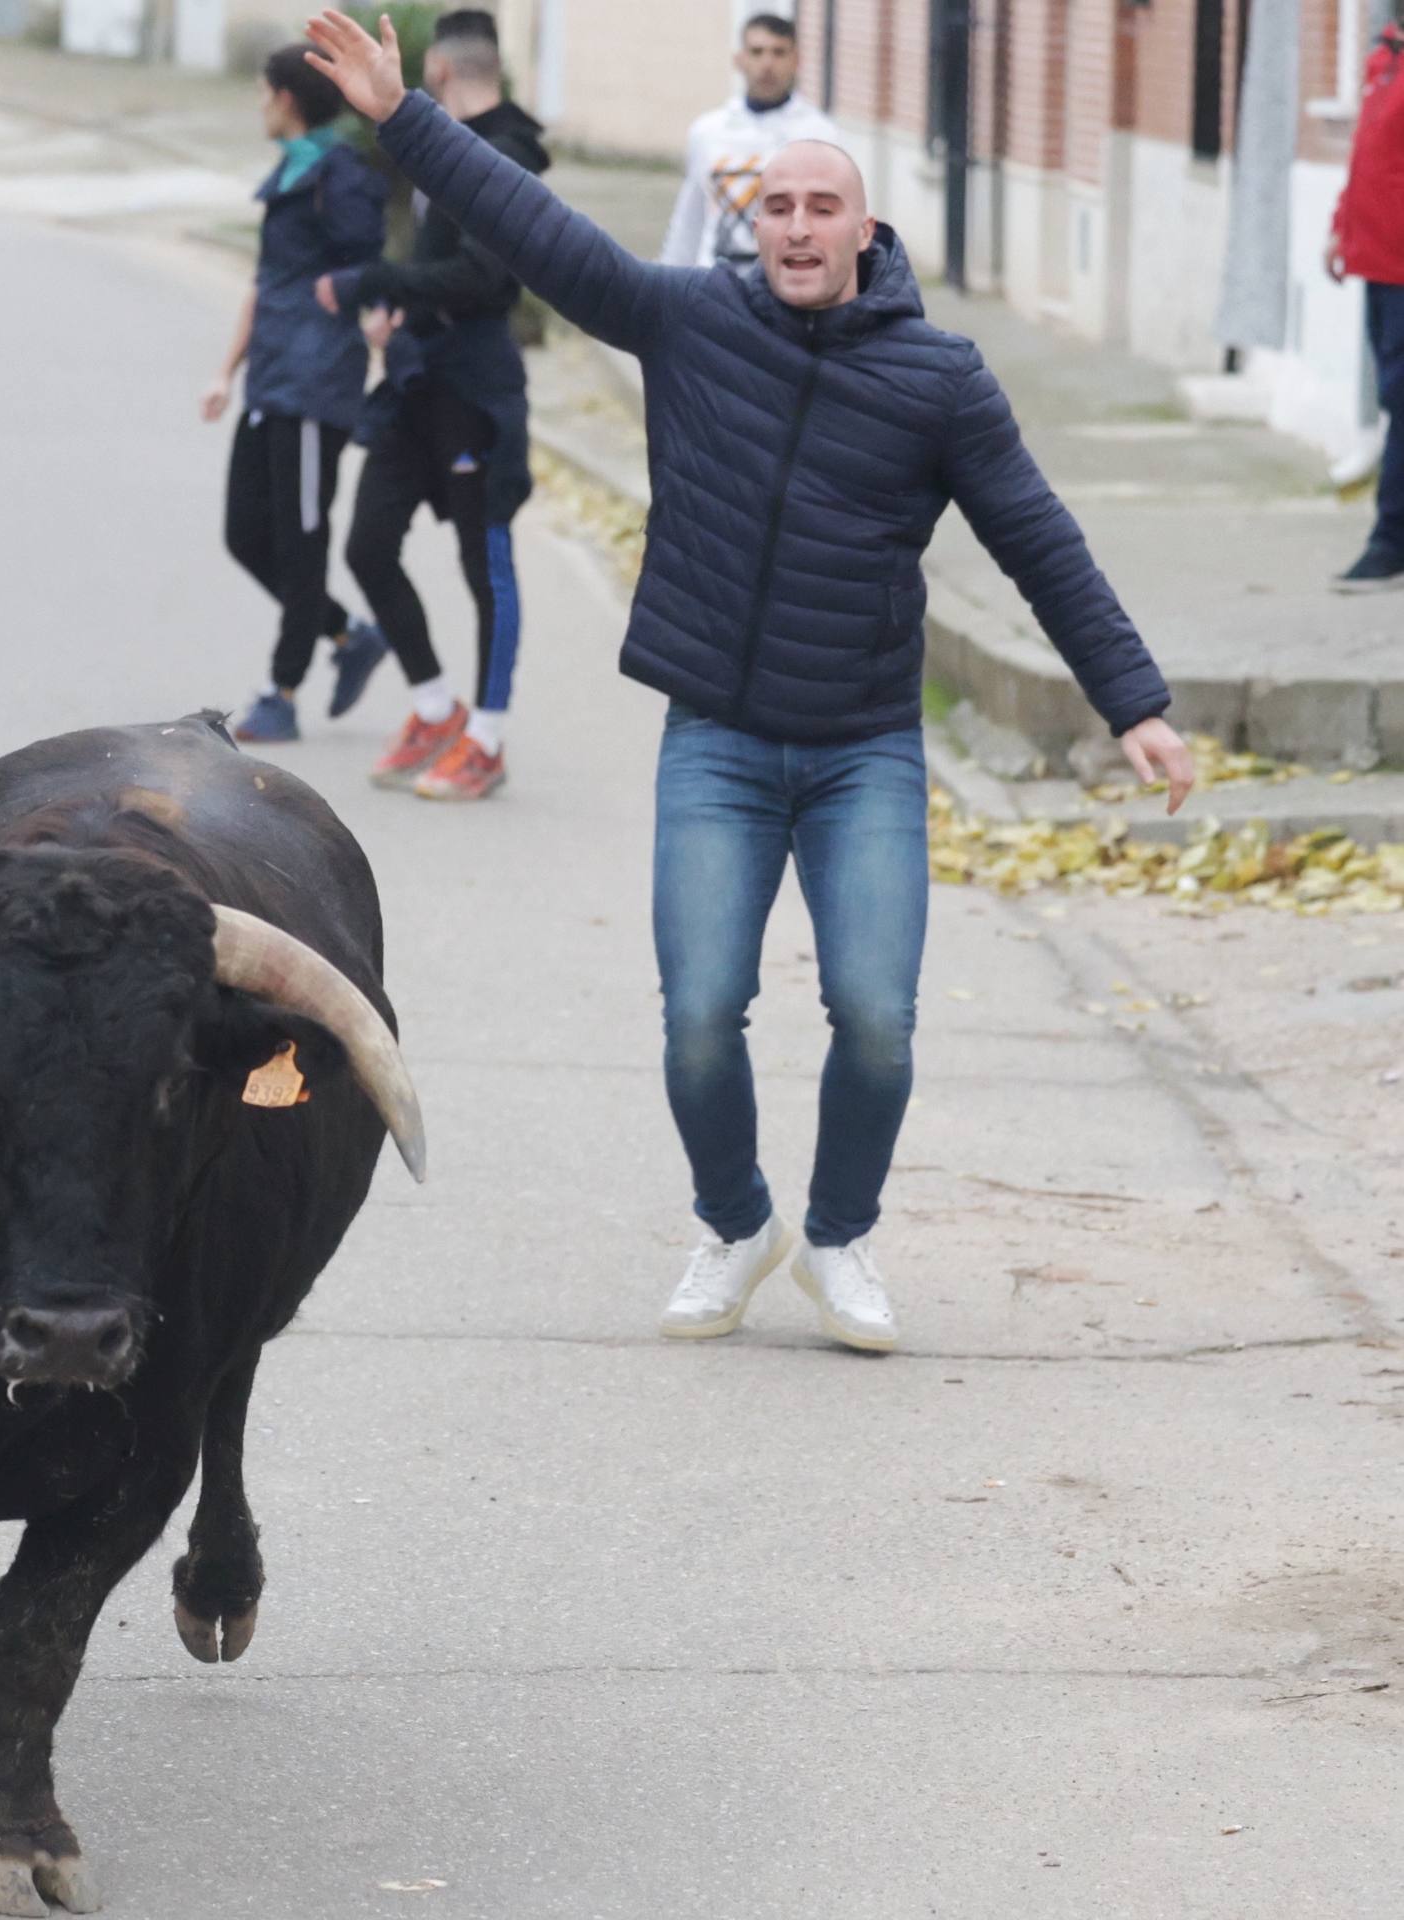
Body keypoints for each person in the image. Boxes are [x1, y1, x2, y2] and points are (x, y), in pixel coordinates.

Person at [304, 12, 1198, 1350]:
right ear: (748, 222)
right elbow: (542, 237)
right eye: (770, 205)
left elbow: (1035, 538)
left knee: (879, 1018)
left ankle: (836, 1239)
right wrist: (404, 117)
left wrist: (1130, 701)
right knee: (700, 1016)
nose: (791, 224)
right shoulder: (687, 323)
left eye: (816, 206)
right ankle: (734, 1222)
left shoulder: (936, 379)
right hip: (716, 739)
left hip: (860, 752)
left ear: (860, 229)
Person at [321, 9, 543, 800]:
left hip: (476, 394)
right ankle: (433, 706)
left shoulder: (508, 156)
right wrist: (398, 313)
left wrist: (375, 284)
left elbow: (487, 280)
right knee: (367, 545)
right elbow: (431, 264)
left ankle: (485, 737)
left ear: (441, 72)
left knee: (484, 565)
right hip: (415, 384)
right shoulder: (435, 145)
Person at [201, 44, 388, 746]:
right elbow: (264, 281)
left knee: (301, 541)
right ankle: (346, 633)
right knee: (245, 534)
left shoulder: (341, 177)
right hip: (270, 378)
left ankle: (280, 693)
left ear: (285, 98)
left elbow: (367, 273)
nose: (257, 104)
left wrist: (377, 332)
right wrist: (225, 371)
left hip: (315, 386)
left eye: (260, 92)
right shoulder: (292, 170)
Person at [660, 13, 842, 270]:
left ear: (797, 61)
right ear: (739, 60)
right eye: (757, 52)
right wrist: (669, 284)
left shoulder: (821, 135)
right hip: (714, 281)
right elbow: (689, 220)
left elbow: (835, 222)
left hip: (787, 284)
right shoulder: (707, 132)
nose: (767, 63)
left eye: (778, 52)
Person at [1327, 15, 1404, 592]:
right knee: (1394, 395)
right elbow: (1367, 157)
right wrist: (1340, 227)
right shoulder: (1386, 56)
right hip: (1379, 260)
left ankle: (1391, 543)